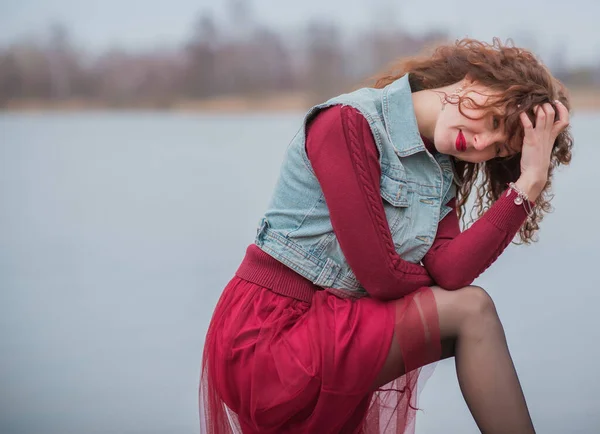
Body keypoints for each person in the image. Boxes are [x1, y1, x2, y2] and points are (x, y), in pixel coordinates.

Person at [199, 38, 573, 434]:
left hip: (333, 330)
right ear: (474, 80)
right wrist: (433, 283)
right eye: (495, 123)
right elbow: (382, 278)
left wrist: (529, 183)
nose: (480, 144)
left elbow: (450, 271)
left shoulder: (440, 174)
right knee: (471, 311)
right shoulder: (347, 123)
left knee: (470, 312)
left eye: (496, 152)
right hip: (267, 336)